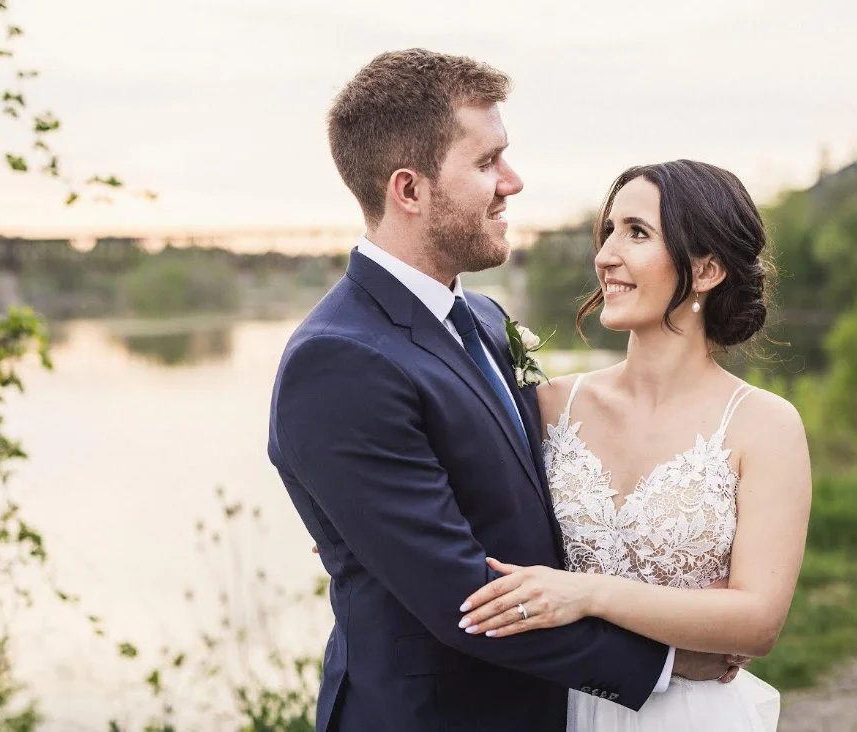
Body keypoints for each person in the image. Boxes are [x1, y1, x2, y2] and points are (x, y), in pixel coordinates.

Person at [267, 51, 735, 732]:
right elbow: (460, 599)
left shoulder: (482, 321)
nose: (511, 182)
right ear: (409, 190)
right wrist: (665, 662)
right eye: (486, 163)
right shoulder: (338, 361)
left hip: (546, 705)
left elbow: (527, 481)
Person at [457, 160, 813, 731]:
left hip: (695, 714)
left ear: (707, 269)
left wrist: (589, 594)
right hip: (554, 705)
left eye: (637, 233)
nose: (605, 255)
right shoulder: (551, 407)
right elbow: (465, 506)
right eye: (609, 231)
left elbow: (757, 622)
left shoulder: (763, 425)